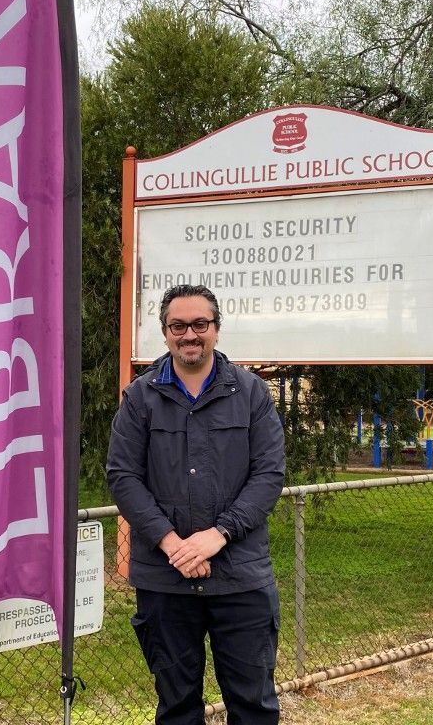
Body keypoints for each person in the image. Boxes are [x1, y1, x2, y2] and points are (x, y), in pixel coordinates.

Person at [107, 284, 285, 725]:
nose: (190, 334)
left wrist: (217, 535)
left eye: (200, 324)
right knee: (176, 707)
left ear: (216, 330)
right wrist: (172, 544)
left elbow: (269, 476)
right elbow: (123, 477)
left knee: (253, 705)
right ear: (165, 333)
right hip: (165, 581)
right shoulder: (140, 398)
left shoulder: (251, 394)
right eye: (178, 325)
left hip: (240, 577)